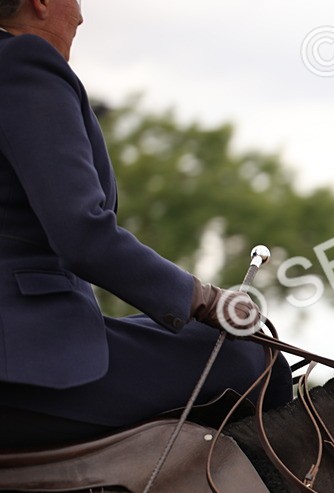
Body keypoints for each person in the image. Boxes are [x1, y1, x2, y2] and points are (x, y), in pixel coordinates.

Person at [0, 0, 292, 449]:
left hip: (26, 349)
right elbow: (83, 234)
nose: (81, 16)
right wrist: (202, 298)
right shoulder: (25, 62)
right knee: (254, 362)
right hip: (27, 360)